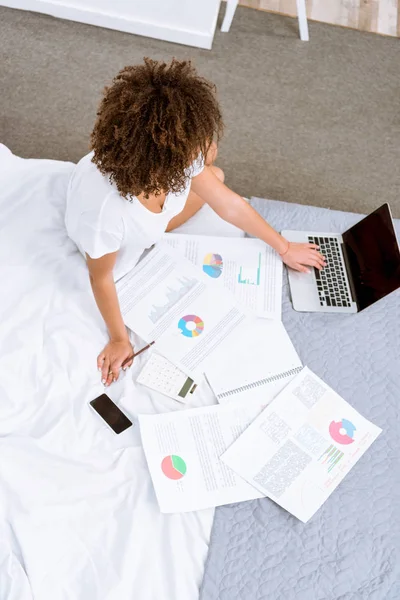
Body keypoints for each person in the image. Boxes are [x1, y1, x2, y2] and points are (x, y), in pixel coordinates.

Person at [65, 58, 325, 387]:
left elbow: (228, 203)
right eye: (199, 144)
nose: (209, 146)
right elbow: (100, 278)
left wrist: (284, 248)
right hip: (116, 234)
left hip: (146, 199)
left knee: (215, 175)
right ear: (166, 157)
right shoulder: (108, 214)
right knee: (211, 174)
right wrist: (119, 338)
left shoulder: (176, 160)